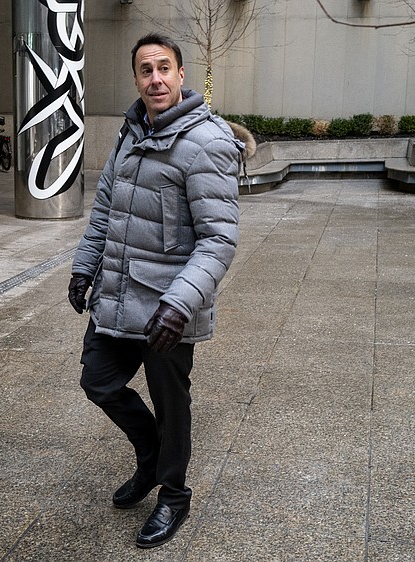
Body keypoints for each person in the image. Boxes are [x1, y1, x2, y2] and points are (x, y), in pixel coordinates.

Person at [68, 33, 247, 549]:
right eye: (145, 70)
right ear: (137, 80)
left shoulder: (208, 141)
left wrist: (178, 305)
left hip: (170, 306)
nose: (155, 79)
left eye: (164, 67)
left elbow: (219, 239)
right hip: (120, 293)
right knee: (98, 381)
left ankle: (173, 492)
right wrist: (85, 268)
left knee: (172, 403)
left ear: (182, 74)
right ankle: (150, 458)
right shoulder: (130, 132)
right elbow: (104, 209)